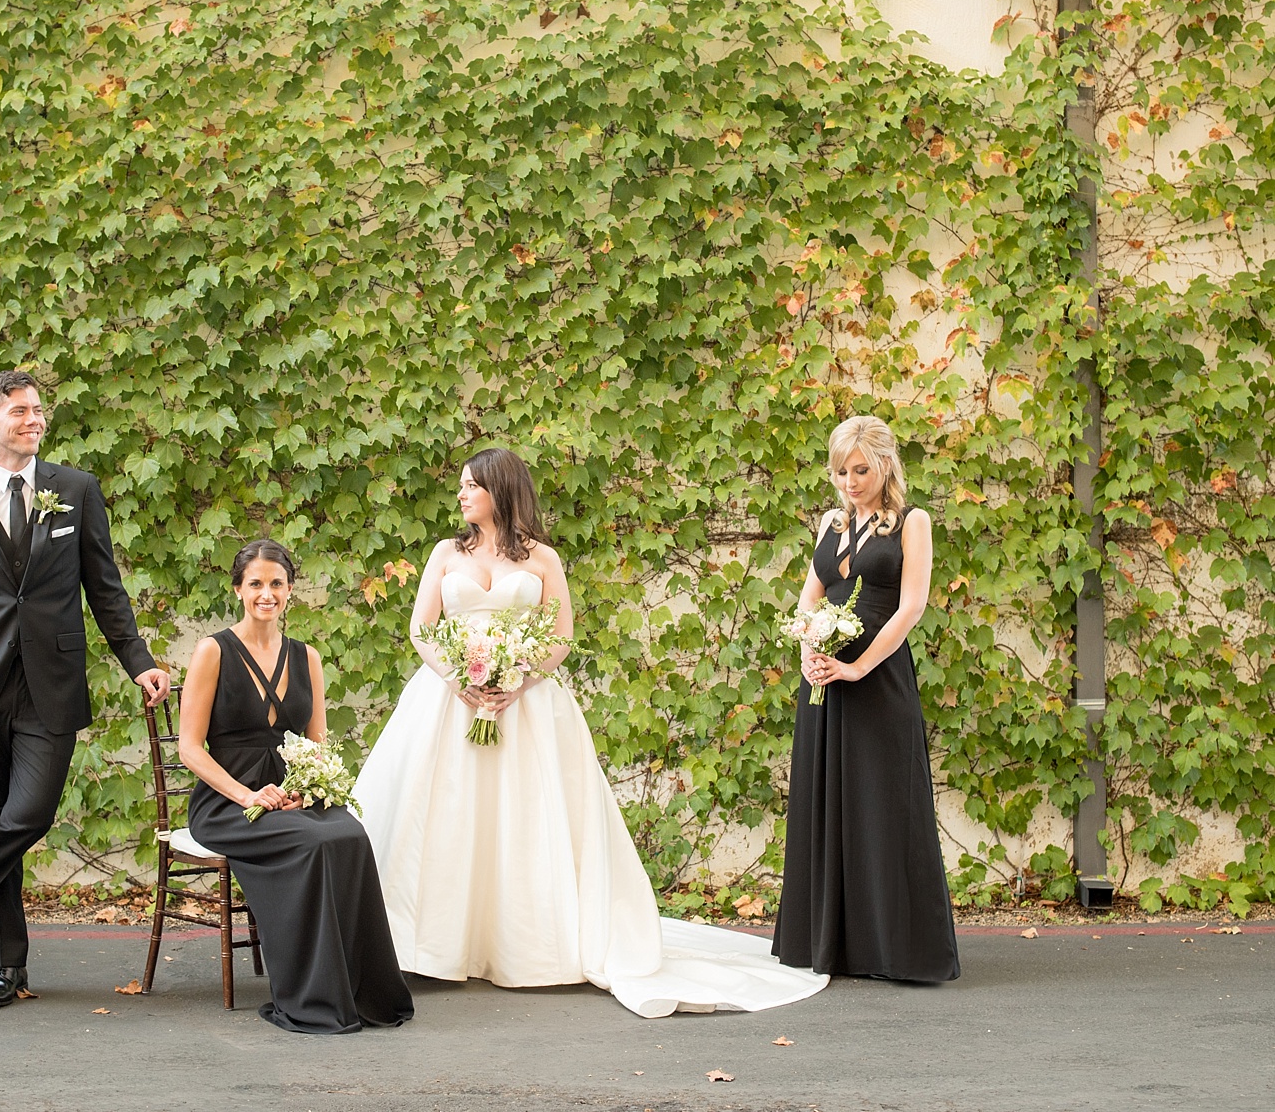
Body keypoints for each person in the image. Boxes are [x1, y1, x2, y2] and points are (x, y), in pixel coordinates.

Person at [353, 448, 828, 1018]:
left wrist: (518, 681)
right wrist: (459, 678)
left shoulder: (543, 559)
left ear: (500, 491)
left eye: (471, 486)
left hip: (523, 704)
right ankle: (426, 944)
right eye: (461, 486)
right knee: (448, 816)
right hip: (448, 700)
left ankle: (523, 945)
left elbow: (559, 638)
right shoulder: (445, 553)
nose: (461, 495)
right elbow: (421, 628)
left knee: (521, 819)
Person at [0, 368, 171, 1007]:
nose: (34, 420)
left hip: (48, 683)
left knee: (27, 814)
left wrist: (139, 661)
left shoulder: (75, 491)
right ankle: (4, 968)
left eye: (38, 410)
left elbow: (103, 586)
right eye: (19, 411)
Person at [177, 539, 414, 1034]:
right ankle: (313, 995)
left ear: (290, 591)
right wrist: (249, 796)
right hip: (229, 803)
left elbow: (317, 743)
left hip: (293, 796)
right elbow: (190, 749)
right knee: (312, 841)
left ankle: (363, 992)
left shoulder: (307, 657)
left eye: (277, 584)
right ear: (238, 589)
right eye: (256, 584)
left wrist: (308, 788)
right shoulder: (212, 651)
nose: (267, 593)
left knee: (348, 835)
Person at [771, 415, 961, 982]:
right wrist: (809, 649)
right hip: (824, 680)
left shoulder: (912, 521)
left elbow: (912, 606)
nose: (850, 481)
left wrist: (857, 667)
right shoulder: (831, 522)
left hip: (877, 679)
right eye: (840, 471)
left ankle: (897, 950)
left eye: (860, 469)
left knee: (882, 806)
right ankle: (830, 945)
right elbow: (810, 596)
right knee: (825, 802)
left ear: (884, 464)